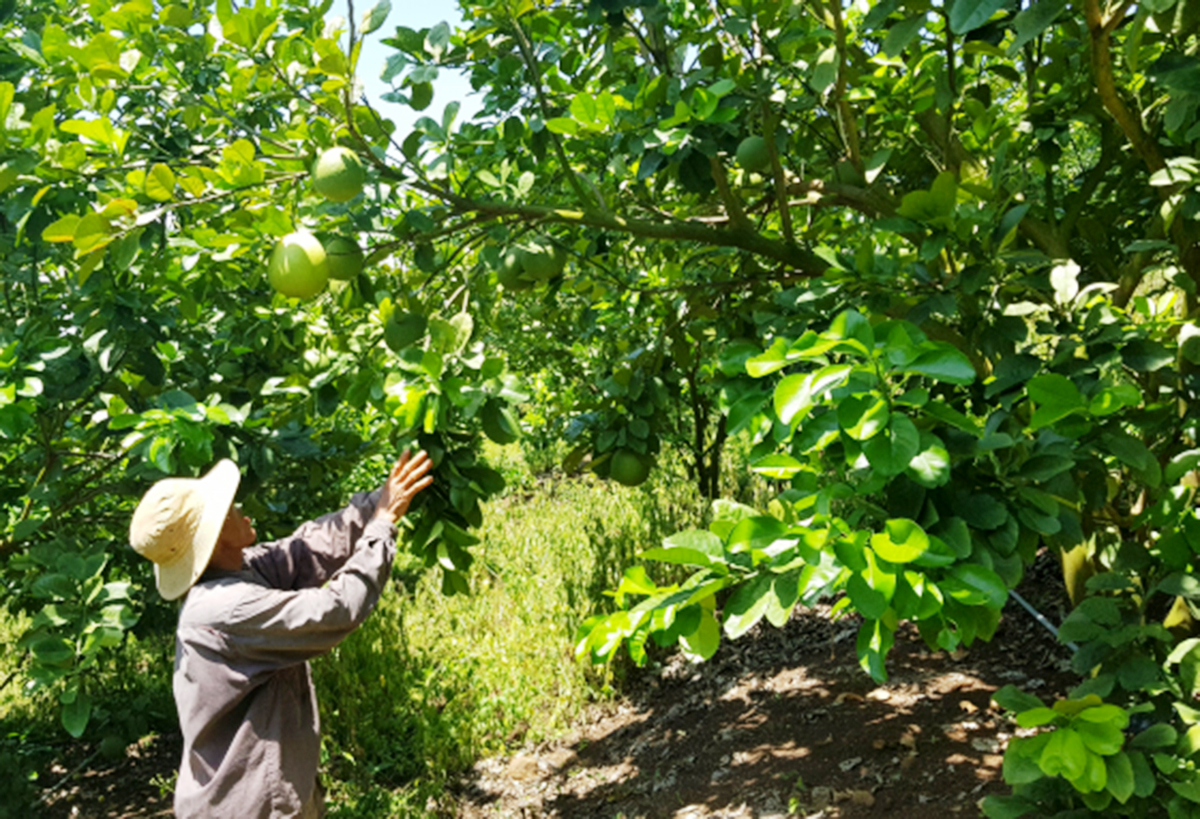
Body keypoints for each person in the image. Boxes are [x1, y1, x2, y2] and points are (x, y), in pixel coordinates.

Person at [128, 450, 433, 819]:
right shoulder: (227, 608)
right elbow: (336, 610)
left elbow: (306, 550)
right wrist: (382, 523)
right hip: (253, 807)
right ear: (217, 535)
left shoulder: (236, 571)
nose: (242, 510)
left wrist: (380, 499)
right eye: (230, 509)